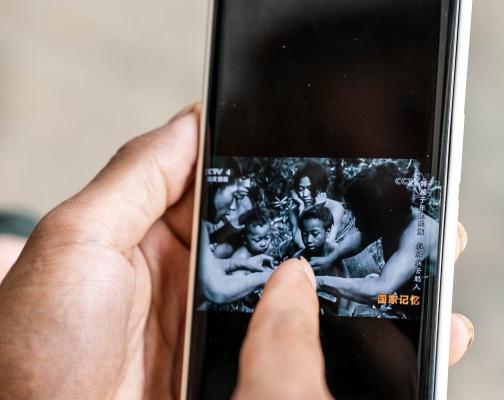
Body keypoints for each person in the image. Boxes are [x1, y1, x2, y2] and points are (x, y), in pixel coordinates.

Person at [0, 104, 473, 399]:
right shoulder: (374, 218)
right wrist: (304, 265)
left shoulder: (409, 233)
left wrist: (307, 278)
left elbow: (379, 283)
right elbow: (342, 244)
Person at [314, 164, 439, 308]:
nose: (356, 224)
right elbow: (363, 236)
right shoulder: (393, 217)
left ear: (380, 215)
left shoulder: (417, 235)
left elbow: (379, 291)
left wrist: (319, 282)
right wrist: (329, 259)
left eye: (359, 216)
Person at [289, 161, 346, 249]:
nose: (305, 194)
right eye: (301, 189)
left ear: (320, 187)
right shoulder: (294, 211)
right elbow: (301, 244)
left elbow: (327, 243)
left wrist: (319, 210)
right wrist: (302, 211)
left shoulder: (335, 207)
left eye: (310, 188)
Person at [293, 204, 348, 278]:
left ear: (327, 231)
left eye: (315, 234)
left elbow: (345, 278)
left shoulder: (334, 250)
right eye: (304, 234)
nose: (309, 240)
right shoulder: (298, 258)